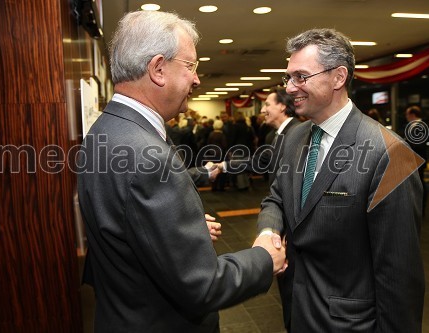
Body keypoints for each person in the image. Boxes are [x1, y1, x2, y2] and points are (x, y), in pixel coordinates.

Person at [77, 10, 286, 332]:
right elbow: (202, 286)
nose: (197, 79)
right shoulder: (149, 156)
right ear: (158, 69)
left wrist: (166, 232)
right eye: (190, 66)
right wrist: (262, 258)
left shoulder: (105, 131)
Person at [256, 28, 425, 332]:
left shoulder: (391, 155)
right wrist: (268, 230)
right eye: (288, 78)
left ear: (338, 77)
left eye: (301, 77)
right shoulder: (296, 137)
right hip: (298, 311)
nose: (291, 88)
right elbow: (277, 197)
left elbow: (400, 278)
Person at [223, 88, 300, 187]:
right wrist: (224, 166)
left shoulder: (297, 132)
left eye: (267, 105)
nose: (262, 110)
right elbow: (260, 161)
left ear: (282, 106)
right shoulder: (279, 134)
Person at [405, 106, 428, 216]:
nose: (406, 117)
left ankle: (421, 209)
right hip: (413, 160)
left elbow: (419, 145)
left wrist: (406, 145)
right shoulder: (412, 126)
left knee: (420, 184)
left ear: (412, 115)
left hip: (418, 160)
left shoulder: (421, 126)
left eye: (407, 114)